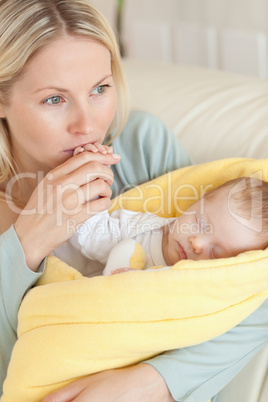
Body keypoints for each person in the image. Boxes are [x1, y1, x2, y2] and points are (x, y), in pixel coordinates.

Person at [0, 1, 267, 402]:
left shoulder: (141, 146)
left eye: (99, 90)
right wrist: (27, 244)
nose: (88, 125)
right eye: (54, 99)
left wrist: (155, 380)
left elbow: (249, 286)